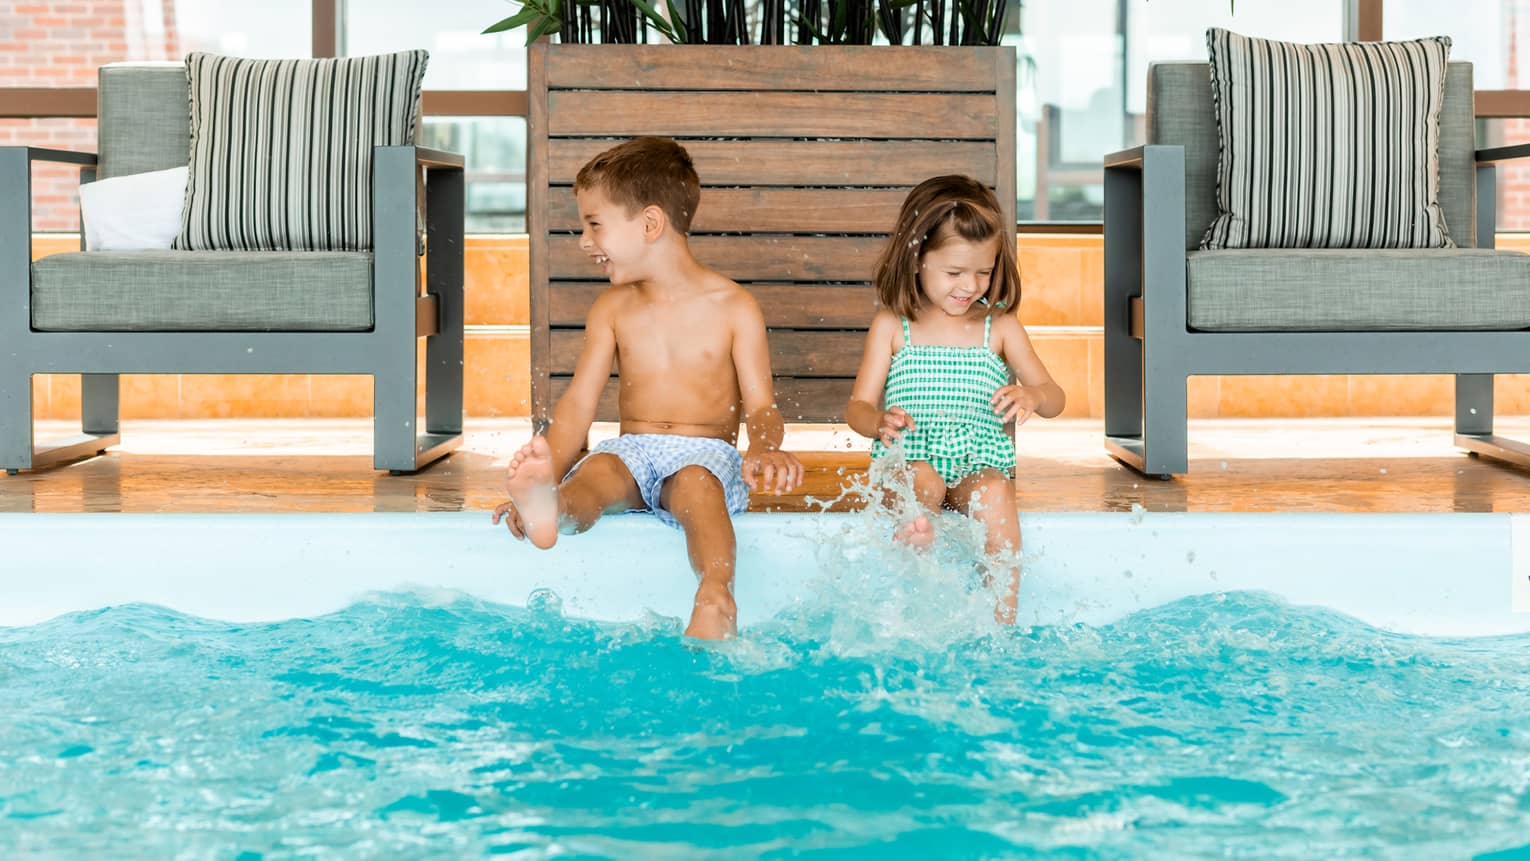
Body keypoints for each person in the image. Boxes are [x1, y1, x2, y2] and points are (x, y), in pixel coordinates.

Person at [493, 137, 804, 641]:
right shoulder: (612, 310)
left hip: (705, 453)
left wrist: (766, 447)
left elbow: (762, 405)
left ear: (650, 224)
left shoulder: (734, 306)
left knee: (698, 486)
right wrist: (547, 460)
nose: (584, 241)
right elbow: (577, 407)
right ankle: (550, 507)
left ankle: (715, 592)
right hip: (633, 449)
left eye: (594, 225)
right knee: (597, 472)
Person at [845, 175, 1066, 624]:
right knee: (920, 481)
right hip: (914, 458)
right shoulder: (893, 325)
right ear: (916, 259)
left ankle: (1002, 619)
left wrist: (1032, 394)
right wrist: (877, 422)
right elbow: (857, 407)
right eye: (954, 273)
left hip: (972, 463)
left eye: (983, 271)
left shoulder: (999, 327)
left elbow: (1056, 398)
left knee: (997, 491)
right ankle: (917, 555)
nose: (970, 285)